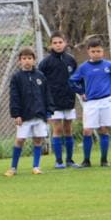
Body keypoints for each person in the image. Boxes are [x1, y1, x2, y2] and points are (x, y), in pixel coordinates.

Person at [67, 36, 111, 168]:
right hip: (91, 103)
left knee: (104, 130)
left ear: (103, 52)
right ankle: (86, 160)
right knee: (87, 130)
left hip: (105, 101)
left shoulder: (108, 65)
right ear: (88, 52)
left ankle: (104, 159)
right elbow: (72, 81)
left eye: (98, 51)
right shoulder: (84, 67)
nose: (96, 54)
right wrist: (81, 91)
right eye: (93, 51)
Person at [5, 47, 50, 177]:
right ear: (19, 61)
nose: (27, 61)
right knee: (20, 140)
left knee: (38, 140)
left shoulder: (40, 76)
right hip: (24, 116)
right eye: (24, 58)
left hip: (39, 115)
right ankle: (13, 168)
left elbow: (46, 94)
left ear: (34, 60)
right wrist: (16, 114)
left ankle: (36, 166)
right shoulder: (16, 77)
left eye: (29, 58)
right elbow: (14, 96)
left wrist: (48, 111)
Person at [39, 32, 78, 169]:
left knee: (68, 129)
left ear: (65, 43)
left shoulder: (71, 60)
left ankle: (70, 160)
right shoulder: (46, 63)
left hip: (69, 100)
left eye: (60, 42)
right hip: (53, 102)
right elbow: (41, 82)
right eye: (55, 43)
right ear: (50, 45)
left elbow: (75, 79)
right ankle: (59, 161)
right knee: (58, 129)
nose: (58, 45)